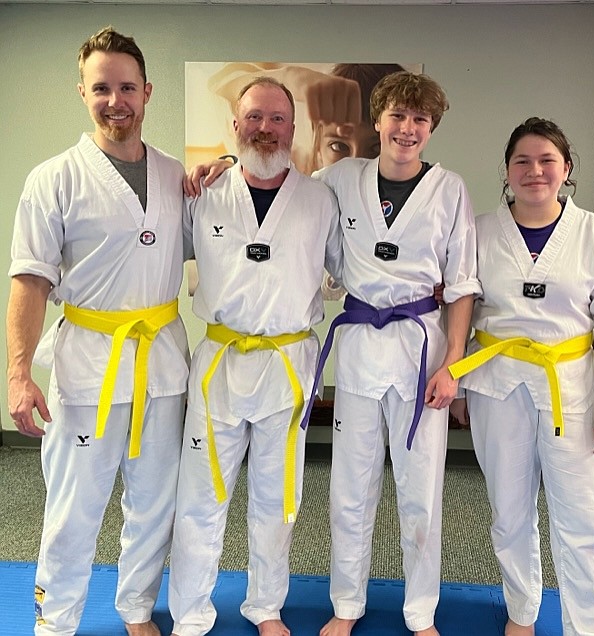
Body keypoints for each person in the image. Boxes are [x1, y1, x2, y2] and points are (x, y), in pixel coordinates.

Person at [6, 26, 189, 636]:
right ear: (83, 93)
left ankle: (136, 609)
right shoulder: (52, 177)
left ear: (148, 92)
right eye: (102, 88)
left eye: (127, 87)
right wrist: (18, 373)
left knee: (154, 502)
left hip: (162, 362)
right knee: (74, 507)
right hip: (87, 365)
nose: (117, 101)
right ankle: (55, 622)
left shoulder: (175, 177)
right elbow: (29, 280)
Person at [448, 117, 594, 636]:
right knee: (509, 512)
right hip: (497, 384)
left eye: (546, 160)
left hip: (572, 390)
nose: (535, 171)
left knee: (588, 519)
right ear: (507, 172)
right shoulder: (482, 232)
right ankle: (522, 613)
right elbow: (462, 307)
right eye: (522, 162)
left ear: (566, 168)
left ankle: (591, 626)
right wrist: (462, 383)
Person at [168, 77, 342, 636]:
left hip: (287, 367)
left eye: (277, 119)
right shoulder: (201, 194)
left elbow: (348, 271)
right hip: (219, 361)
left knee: (277, 496)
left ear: (295, 129)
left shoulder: (320, 199)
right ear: (235, 126)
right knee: (200, 494)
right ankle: (191, 613)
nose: (265, 128)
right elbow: (153, 255)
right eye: (254, 118)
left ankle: (265, 607)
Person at [311, 71, 480, 636]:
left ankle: (420, 612)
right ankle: (346, 605)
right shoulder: (339, 177)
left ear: (430, 129)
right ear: (377, 121)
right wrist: (224, 169)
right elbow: (279, 193)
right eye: (398, 117)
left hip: (421, 349)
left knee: (421, 492)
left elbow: (461, 286)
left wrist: (453, 363)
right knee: (350, 487)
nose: (407, 130)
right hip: (359, 342)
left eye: (420, 121)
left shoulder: (449, 188)